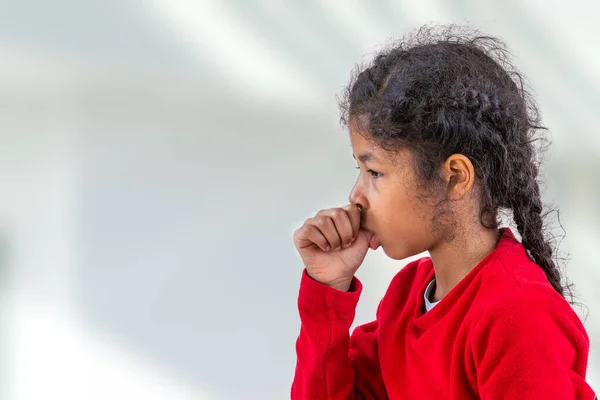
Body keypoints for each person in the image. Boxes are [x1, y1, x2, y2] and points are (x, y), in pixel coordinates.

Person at [291, 25, 596, 399]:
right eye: (359, 170)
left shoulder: (518, 313)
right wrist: (328, 288)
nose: (356, 197)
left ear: (455, 176)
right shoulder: (408, 295)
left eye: (374, 172)